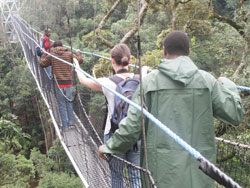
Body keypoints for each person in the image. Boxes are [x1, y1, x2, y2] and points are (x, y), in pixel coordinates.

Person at [98, 31, 244, 188]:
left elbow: (132, 127)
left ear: (164, 50)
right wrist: (227, 84)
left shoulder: (149, 83)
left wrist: (108, 148)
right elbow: (234, 114)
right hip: (199, 177)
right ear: (188, 52)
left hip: (159, 177)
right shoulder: (207, 81)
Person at [75, 43, 148, 188]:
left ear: (112, 61)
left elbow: (83, 80)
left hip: (114, 135)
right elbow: (145, 78)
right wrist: (144, 71)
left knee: (116, 176)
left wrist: (76, 64)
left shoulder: (107, 82)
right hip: (136, 135)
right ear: (130, 59)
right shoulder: (141, 79)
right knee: (135, 177)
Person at [40, 40, 83, 131]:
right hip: (68, 82)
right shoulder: (69, 54)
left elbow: (42, 64)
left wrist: (43, 54)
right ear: (63, 46)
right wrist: (78, 53)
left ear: (54, 47)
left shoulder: (52, 55)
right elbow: (79, 61)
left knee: (61, 104)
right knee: (69, 101)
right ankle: (71, 122)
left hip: (58, 84)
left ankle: (65, 127)